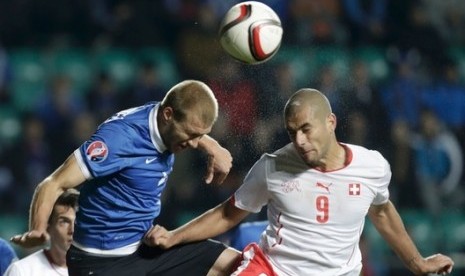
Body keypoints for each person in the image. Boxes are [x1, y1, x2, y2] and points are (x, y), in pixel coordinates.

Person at [148, 88, 455, 275]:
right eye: (292, 132)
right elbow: (228, 214)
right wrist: (173, 237)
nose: (300, 140)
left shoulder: (372, 166)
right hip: (273, 269)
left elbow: (383, 213)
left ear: (330, 122)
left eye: (306, 129)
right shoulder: (273, 166)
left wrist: (417, 263)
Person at [11, 80, 240, 276]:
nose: (192, 143)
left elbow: (189, 126)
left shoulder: (167, 123)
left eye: (199, 136)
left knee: (237, 265)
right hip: (101, 263)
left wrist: (212, 145)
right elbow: (53, 183)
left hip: (143, 248)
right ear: (168, 115)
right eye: (191, 135)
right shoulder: (119, 139)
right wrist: (38, 230)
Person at [5, 189, 79, 276]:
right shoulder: (22, 271)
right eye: (64, 222)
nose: (72, 230)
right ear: (48, 227)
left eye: (78, 222)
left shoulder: (95, 269)